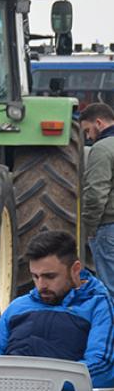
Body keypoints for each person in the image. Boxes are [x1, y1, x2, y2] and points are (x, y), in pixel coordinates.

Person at [0, 230, 114, 391]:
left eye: (50, 276)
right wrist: (11, 377)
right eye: (35, 276)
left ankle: (14, 386)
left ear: (75, 270)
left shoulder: (97, 305)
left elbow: (103, 369)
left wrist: (44, 380)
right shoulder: (19, 306)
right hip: (3, 387)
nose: (41, 285)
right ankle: (7, 387)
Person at [81, 102, 114, 290]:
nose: (88, 137)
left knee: (110, 289)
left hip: (109, 227)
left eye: (88, 131)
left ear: (99, 123)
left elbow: (96, 193)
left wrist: (90, 228)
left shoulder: (102, 149)